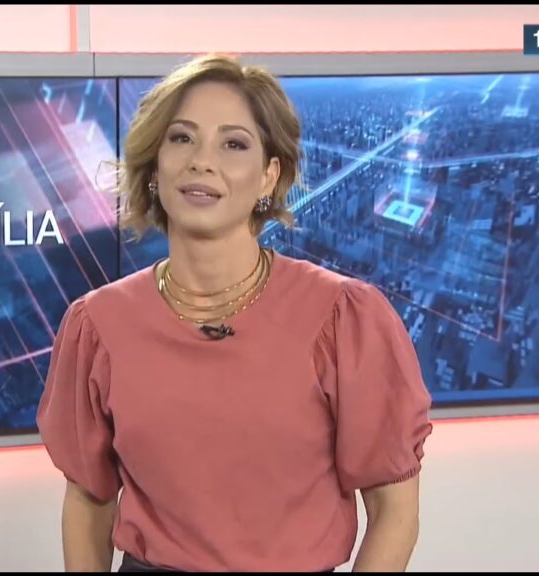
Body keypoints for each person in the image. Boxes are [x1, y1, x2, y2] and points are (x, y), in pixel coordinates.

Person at [36, 53, 433, 573]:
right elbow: (89, 503)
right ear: (154, 166)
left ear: (270, 175)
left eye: (233, 144)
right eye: (182, 138)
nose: (202, 161)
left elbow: (394, 511)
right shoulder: (98, 325)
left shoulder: (343, 317)